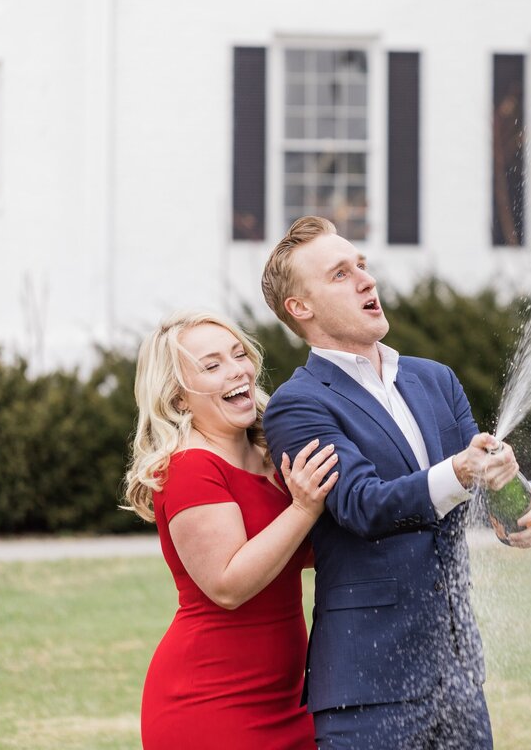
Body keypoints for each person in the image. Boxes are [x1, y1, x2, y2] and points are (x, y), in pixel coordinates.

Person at [260, 216, 531, 749]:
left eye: (362, 266)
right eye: (339, 274)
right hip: (368, 685)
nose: (365, 280)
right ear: (300, 309)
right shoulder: (299, 403)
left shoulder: (435, 379)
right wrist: (462, 470)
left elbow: (487, 488)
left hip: (459, 675)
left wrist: (530, 500)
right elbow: (361, 505)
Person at [124, 310, 339, 749]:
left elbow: (321, 548)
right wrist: (302, 509)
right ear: (179, 398)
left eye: (239, 354)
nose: (237, 369)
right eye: (212, 364)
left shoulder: (274, 456)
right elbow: (228, 584)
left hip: (290, 699)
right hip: (211, 704)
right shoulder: (189, 467)